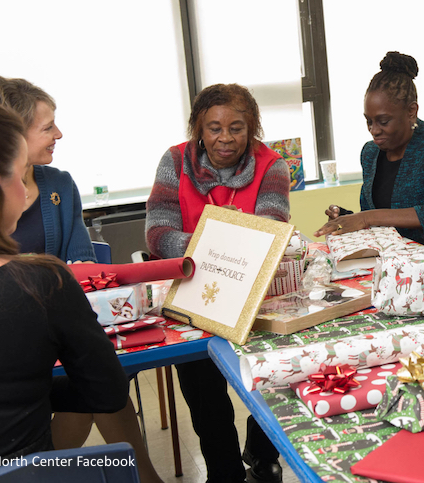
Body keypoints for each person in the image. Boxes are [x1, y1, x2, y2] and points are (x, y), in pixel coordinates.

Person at [0, 75, 163, 482]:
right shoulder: (43, 283)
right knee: (107, 440)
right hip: (22, 469)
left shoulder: (58, 188)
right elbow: (106, 389)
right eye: (14, 175)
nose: (24, 194)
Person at [146, 83, 290, 483]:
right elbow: (157, 234)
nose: (225, 138)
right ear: (198, 127)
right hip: (192, 294)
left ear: (252, 128)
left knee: (279, 372)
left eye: (236, 128)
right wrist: (223, 247)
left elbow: (271, 230)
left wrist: (201, 244)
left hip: (256, 293)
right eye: (213, 128)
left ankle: (261, 452)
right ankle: (224, 472)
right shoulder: (174, 162)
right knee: (201, 386)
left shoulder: (272, 165)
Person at [314, 51, 424, 254]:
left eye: (383, 121)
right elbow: (377, 216)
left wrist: (365, 218)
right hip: (391, 261)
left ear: (411, 111)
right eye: (369, 121)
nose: (374, 130)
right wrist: (347, 218)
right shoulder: (370, 153)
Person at [0, 75, 96, 263]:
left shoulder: (60, 184)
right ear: (14, 135)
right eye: (48, 128)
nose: (59, 134)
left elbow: (84, 263)